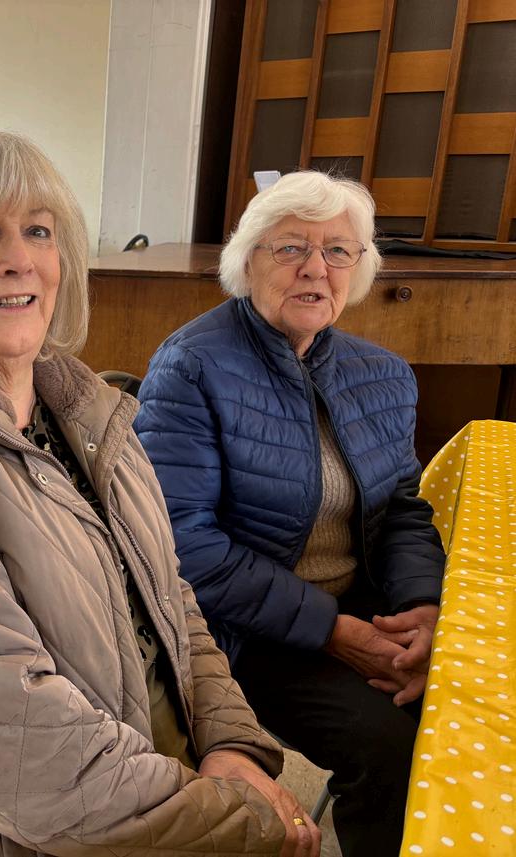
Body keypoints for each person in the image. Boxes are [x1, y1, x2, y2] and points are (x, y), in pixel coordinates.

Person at [0, 130, 320, 857]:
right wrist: (243, 821)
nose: (18, 259)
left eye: (38, 231)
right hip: (6, 830)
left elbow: (170, 599)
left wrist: (231, 744)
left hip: (139, 776)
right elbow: (20, 760)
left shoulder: (78, 403)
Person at [134, 170, 446, 857]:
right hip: (242, 632)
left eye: (337, 250)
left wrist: (421, 610)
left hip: (361, 606)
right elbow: (182, 545)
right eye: (290, 248)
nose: (315, 267)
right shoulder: (190, 366)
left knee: (475, 709)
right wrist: (333, 631)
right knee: (390, 748)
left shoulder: (383, 373)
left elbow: (402, 509)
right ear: (247, 261)